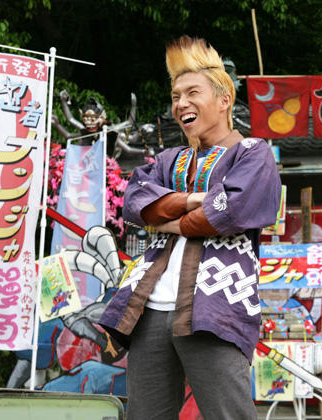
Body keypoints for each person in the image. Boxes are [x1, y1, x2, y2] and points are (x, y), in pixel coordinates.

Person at [99, 35, 281, 419]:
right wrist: (193, 199)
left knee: (228, 414)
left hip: (215, 308)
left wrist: (168, 220)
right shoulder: (169, 159)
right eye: (176, 96)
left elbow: (225, 214)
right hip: (148, 308)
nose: (180, 104)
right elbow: (135, 202)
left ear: (224, 99)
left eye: (192, 93)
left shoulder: (253, 153)